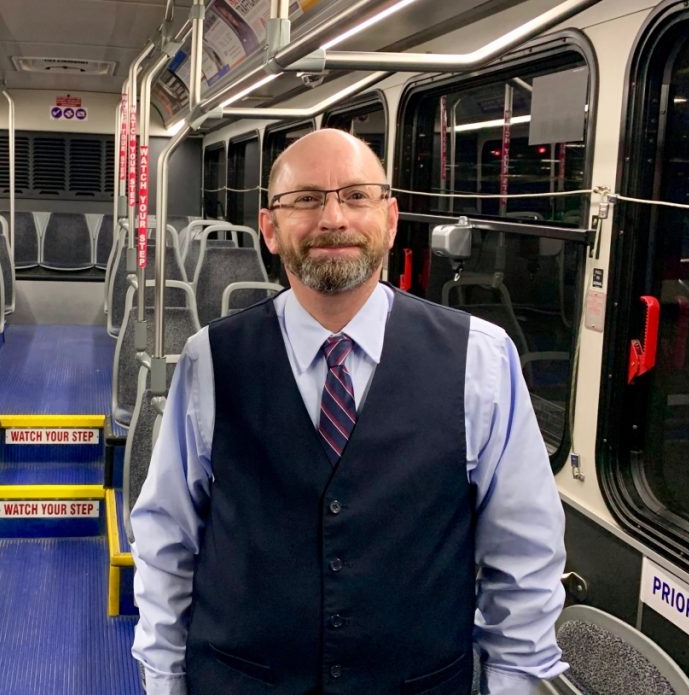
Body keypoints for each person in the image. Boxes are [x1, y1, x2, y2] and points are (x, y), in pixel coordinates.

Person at [130, 128, 567, 694]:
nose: (332, 218)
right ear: (270, 228)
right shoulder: (210, 359)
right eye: (305, 199)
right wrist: (164, 679)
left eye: (356, 196)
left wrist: (513, 685)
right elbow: (168, 537)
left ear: (390, 219)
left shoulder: (480, 359)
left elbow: (524, 551)